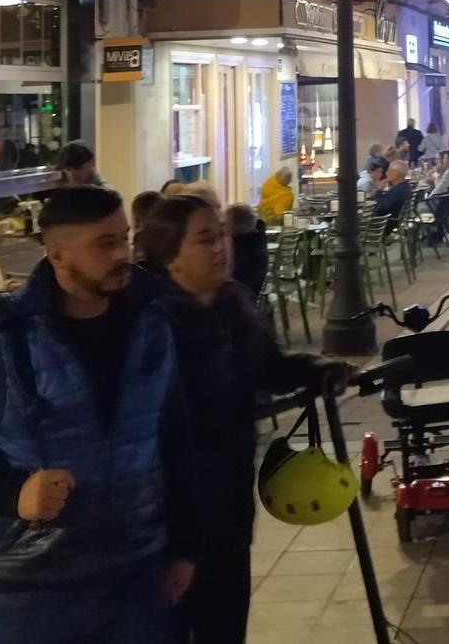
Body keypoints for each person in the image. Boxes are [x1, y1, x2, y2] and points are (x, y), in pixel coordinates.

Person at [0, 186, 199, 644]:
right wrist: (12, 494)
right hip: (37, 587)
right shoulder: (4, 337)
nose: (123, 253)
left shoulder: (152, 319)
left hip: (138, 573)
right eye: (105, 244)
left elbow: (176, 437)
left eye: (124, 237)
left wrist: (184, 546)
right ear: (58, 255)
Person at [138, 195, 348, 644]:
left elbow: (265, 365)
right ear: (169, 253)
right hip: (175, 506)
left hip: (230, 495)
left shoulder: (231, 303)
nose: (221, 247)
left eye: (221, 235)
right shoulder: (152, 323)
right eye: (204, 239)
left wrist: (312, 369)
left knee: (227, 620)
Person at [221, 203, 269, 299]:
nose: (222, 228)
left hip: (243, 304)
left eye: (225, 224)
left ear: (235, 226)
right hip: (254, 301)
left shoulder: (243, 253)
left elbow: (228, 285)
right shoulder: (256, 241)